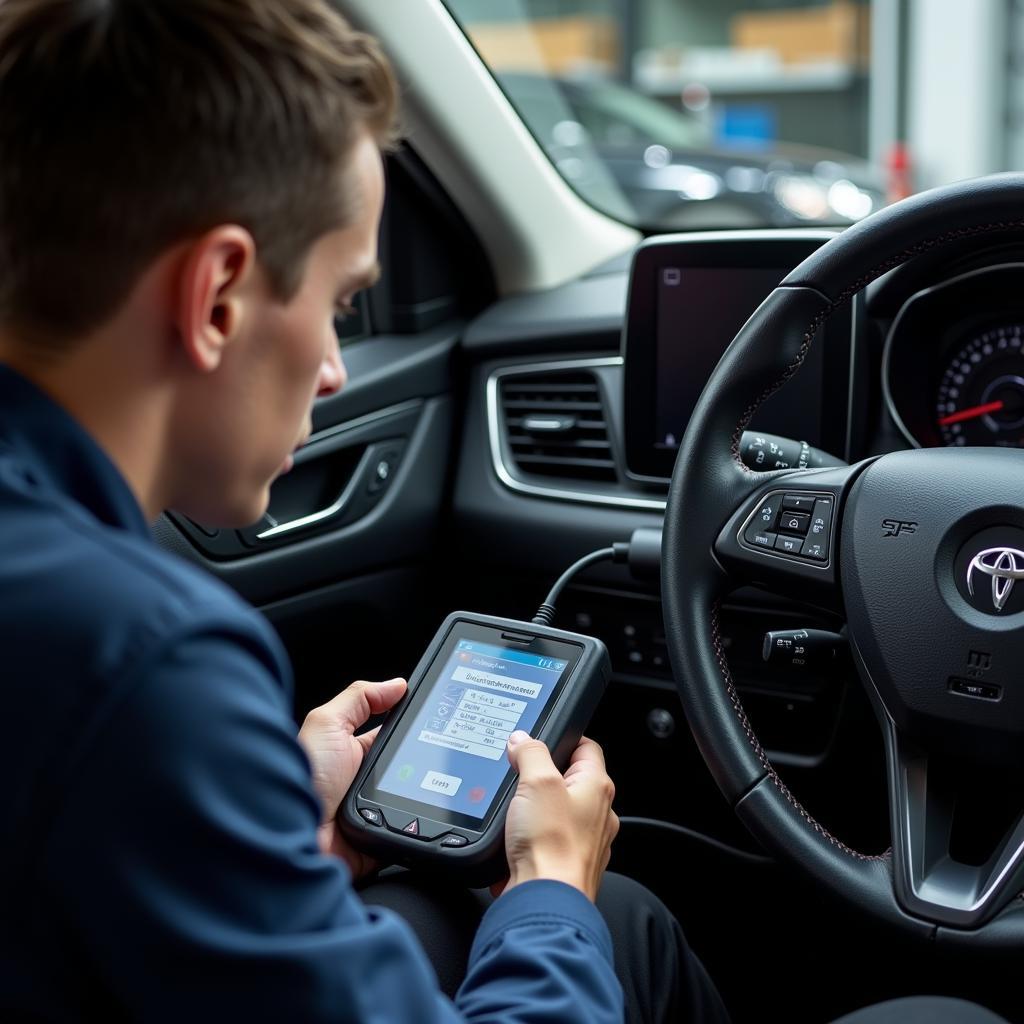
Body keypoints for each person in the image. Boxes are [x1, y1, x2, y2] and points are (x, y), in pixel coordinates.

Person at [0, 2, 724, 1021]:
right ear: (216, 296)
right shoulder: (141, 660)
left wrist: (277, 822)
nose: (338, 369)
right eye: (342, 302)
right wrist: (555, 885)